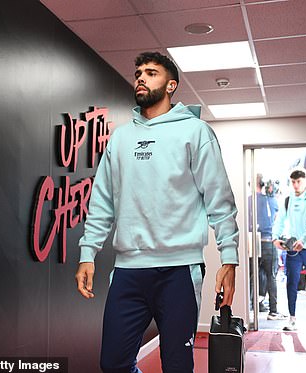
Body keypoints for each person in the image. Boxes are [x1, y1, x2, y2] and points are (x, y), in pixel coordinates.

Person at [75, 51, 239, 373]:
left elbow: (219, 200)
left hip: (178, 271)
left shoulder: (195, 132)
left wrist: (229, 258)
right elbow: (102, 202)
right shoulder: (120, 138)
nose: (141, 77)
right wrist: (87, 253)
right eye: (138, 72)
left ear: (170, 85)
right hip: (128, 270)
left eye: (151, 73)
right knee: (113, 363)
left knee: (177, 365)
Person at [272, 168, 306, 331]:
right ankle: (292, 318)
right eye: (293, 182)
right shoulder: (287, 200)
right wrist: (275, 238)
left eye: (298, 181)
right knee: (291, 283)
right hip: (293, 249)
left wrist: (304, 240)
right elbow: (280, 220)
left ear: (305, 181)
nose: (295, 185)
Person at [247, 174, 285, 320]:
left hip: (253, 241)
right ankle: (273, 311)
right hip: (268, 241)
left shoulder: (248, 201)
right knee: (271, 276)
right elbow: (276, 219)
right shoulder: (271, 201)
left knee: (253, 276)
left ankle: (251, 306)